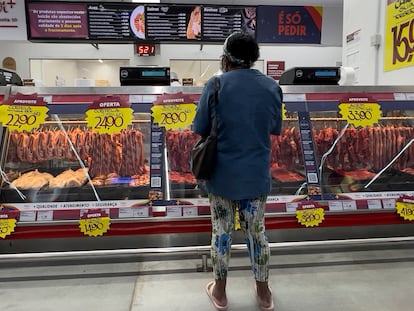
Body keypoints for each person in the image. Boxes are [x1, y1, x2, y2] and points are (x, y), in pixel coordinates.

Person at [193, 32, 283, 311]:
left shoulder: (215, 84)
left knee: (221, 232)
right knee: (256, 233)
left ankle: (219, 293)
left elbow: (199, 128)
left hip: (221, 176)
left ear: (225, 58)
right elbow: (274, 129)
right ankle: (264, 294)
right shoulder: (271, 87)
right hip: (255, 175)